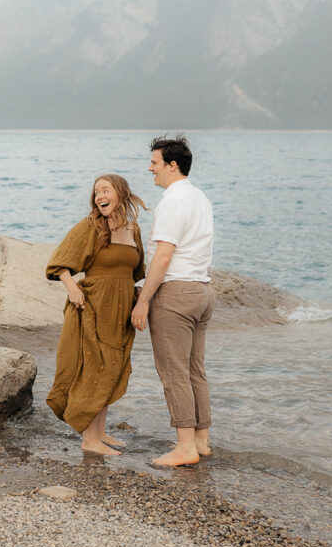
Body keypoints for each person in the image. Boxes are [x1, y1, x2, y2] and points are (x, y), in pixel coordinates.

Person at [46, 174, 147, 455]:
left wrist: (141, 303)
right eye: (96, 191)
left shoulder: (132, 228)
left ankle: (101, 433)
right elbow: (59, 263)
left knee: (111, 369)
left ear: (121, 193)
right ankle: (89, 440)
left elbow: (137, 273)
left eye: (106, 190)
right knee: (93, 369)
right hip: (92, 305)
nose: (99, 195)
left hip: (120, 311)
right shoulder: (90, 225)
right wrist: (72, 290)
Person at [131, 135, 214, 467]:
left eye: (154, 162)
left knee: (174, 372)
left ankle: (184, 448)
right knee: (195, 370)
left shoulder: (173, 201)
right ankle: (201, 441)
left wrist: (143, 301)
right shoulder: (200, 198)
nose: (150, 168)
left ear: (172, 165)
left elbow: (163, 256)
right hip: (202, 292)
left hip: (176, 294)